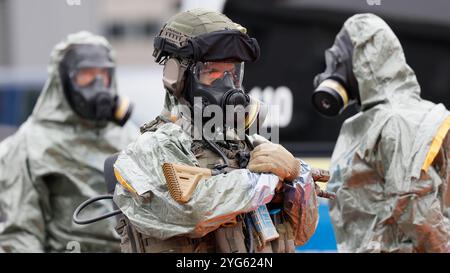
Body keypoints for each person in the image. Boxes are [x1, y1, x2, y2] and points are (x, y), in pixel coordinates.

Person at [111, 9, 320, 253]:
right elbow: (193, 211)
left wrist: (298, 177)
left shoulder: (249, 144)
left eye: (232, 73)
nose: (227, 85)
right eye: (212, 72)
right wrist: (268, 182)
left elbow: (302, 233)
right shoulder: (150, 149)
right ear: (176, 76)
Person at [312, 13, 450, 252]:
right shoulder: (372, 121)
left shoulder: (400, 120)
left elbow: (415, 206)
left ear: (361, 62)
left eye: (339, 61)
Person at [0, 31, 137, 252]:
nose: (98, 84)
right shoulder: (30, 145)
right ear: (62, 79)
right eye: (86, 75)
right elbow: (22, 236)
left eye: (104, 74)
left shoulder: (130, 137)